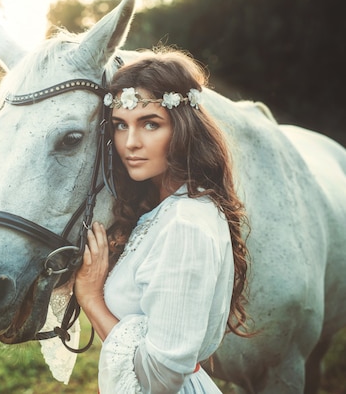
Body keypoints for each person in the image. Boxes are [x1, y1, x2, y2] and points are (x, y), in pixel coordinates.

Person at [74, 48, 252, 393]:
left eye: (150, 124)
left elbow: (161, 376)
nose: (130, 143)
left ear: (183, 128)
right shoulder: (164, 208)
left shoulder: (185, 224)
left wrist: (92, 298)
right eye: (120, 126)